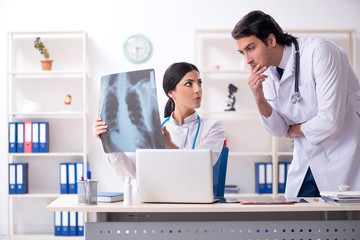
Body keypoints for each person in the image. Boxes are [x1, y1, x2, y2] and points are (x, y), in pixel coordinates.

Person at [231, 10, 360, 197]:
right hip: (307, 158)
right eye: (242, 52)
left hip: (343, 155)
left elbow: (331, 120)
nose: (247, 59)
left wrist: (294, 130)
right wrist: (258, 98)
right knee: (297, 218)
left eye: (251, 48)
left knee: (341, 223)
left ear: (271, 40)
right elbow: (278, 130)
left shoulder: (320, 51)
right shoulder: (265, 71)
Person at [93, 62, 226, 178]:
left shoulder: (213, 127)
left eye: (199, 83)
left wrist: (171, 147)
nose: (198, 90)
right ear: (171, 93)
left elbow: (200, 167)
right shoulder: (155, 128)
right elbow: (131, 172)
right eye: (189, 84)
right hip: (157, 202)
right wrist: (108, 143)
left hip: (195, 203)